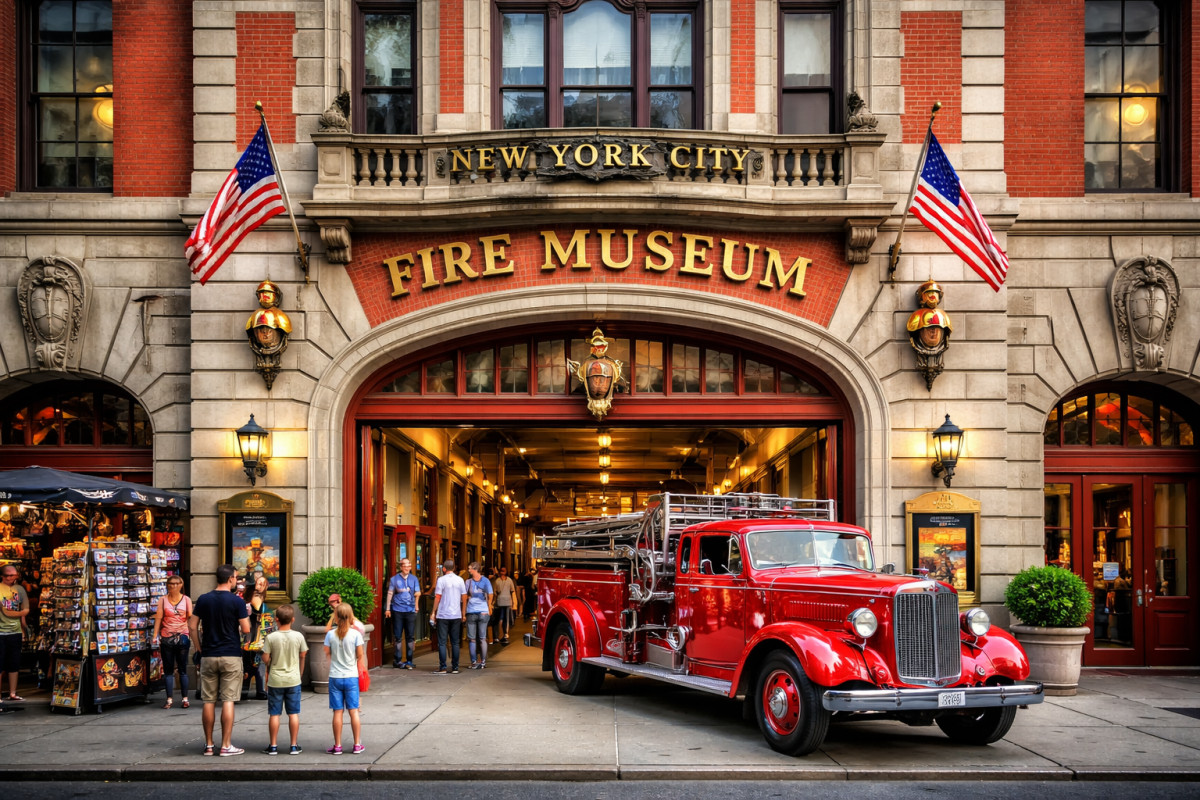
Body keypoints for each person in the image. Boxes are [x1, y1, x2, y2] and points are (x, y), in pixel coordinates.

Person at [189, 564, 251, 757]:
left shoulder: (204, 599)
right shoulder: (236, 601)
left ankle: (209, 745)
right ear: (230, 578)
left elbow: (192, 626)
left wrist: (199, 648)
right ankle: (226, 745)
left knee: (208, 700)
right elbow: (246, 629)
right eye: (236, 578)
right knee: (228, 700)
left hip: (208, 654)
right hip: (230, 654)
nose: (237, 581)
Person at [260, 604, 308, 755]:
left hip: (275, 679)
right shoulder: (298, 636)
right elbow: (303, 655)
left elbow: (266, 658)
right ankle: (293, 745)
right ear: (293, 619)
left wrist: (269, 659)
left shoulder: (271, 637)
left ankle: (273, 745)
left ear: (276, 620)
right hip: (293, 679)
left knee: (274, 713)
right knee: (293, 713)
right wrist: (300, 672)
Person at [323, 603, 365, 755]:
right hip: (351, 676)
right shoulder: (355, 635)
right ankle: (356, 744)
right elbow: (360, 655)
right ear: (350, 616)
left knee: (337, 712)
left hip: (335, 676)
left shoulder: (330, 635)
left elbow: (327, 652)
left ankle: (338, 745)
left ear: (336, 617)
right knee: (354, 711)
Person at [152, 575, 193, 709]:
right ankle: (169, 699)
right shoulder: (163, 600)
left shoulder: (186, 600)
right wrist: (155, 635)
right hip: (167, 636)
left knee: (182, 668)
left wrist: (191, 634)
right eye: (170, 584)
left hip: (182, 636)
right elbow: (158, 618)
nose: (173, 586)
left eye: (176, 584)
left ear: (181, 585)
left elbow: (190, 618)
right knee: (168, 669)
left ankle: (185, 698)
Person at [429, 559, 466, 674]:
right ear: (454, 568)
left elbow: (438, 597)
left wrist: (433, 612)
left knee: (442, 642)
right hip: (456, 614)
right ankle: (455, 667)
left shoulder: (441, 580)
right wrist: (463, 613)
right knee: (455, 642)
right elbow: (464, 597)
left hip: (443, 615)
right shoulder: (460, 580)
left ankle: (443, 667)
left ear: (444, 569)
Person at [0, 564, 30, 702]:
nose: (12, 578)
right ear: (3, 576)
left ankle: (13, 693)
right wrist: (17, 613)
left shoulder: (20, 590)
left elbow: (25, 610)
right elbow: (8, 612)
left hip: (15, 631)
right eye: (9, 575)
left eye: (14, 575)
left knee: (14, 663)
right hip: (1, 631)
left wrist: (23, 629)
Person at [384, 558, 420, 669]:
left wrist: (416, 605)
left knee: (410, 636)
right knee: (398, 636)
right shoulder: (394, 579)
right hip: (397, 610)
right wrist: (388, 608)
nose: (407, 568)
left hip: (410, 610)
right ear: (401, 567)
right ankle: (398, 660)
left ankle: (409, 660)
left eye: (409, 566)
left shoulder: (414, 579)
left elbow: (418, 592)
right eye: (405, 566)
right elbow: (390, 594)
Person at [241, 574, 270, 700]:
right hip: (248, 636)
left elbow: (269, 623)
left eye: (263, 584)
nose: (259, 586)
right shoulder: (246, 604)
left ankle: (261, 689)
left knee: (260, 665)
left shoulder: (265, 606)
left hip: (260, 637)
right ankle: (244, 689)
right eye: (258, 583)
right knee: (246, 664)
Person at [463, 562, 493, 669]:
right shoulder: (485, 581)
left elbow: (464, 595)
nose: (469, 570)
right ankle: (482, 662)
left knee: (472, 639)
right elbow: (490, 594)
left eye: (470, 569)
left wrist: (465, 609)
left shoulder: (468, 582)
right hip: (483, 611)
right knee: (482, 638)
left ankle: (474, 662)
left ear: (475, 569)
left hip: (472, 611)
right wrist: (488, 606)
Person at [492, 566, 517, 645]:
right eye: (501, 571)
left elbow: (512, 591)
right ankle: (498, 636)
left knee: (505, 619)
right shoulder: (497, 581)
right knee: (498, 619)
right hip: (499, 602)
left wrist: (514, 603)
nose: (502, 572)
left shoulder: (509, 580)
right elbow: (494, 592)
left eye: (504, 570)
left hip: (506, 602)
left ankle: (505, 634)